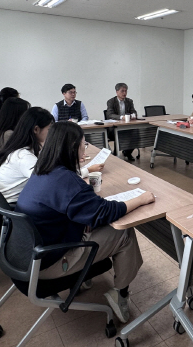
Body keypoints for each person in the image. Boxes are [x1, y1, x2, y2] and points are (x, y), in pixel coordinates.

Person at [15, 122, 155, 323]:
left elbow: (76, 209)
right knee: (124, 233)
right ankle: (120, 294)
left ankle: (85, 279)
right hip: (45, 264)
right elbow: (105, 212)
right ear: (73, 147)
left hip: (26, 254)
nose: (85, 146)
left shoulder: (43, 169)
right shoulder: (65, 180)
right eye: (84, 143)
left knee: (92, 224)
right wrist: (140, 199)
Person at [0, 107, 54, 203]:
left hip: (8, 201)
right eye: (49, 129)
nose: (52, 133)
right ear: (36, 129)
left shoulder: (19, 148)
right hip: (12, 207)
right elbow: (50, 183)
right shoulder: (23, 156)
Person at [106, 83, 138, 161]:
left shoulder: (129, 101)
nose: (124, 93)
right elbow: (110, 114)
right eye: (122, 91)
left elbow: (134, 112)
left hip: (127, 126)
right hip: (114, 127)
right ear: (117, 92)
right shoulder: (111, 101)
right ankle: (116, 153)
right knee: (118, 133)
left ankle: (127, 152)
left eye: (125, 91)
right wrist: (121, 117)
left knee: (137, 134)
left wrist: (133, 116)